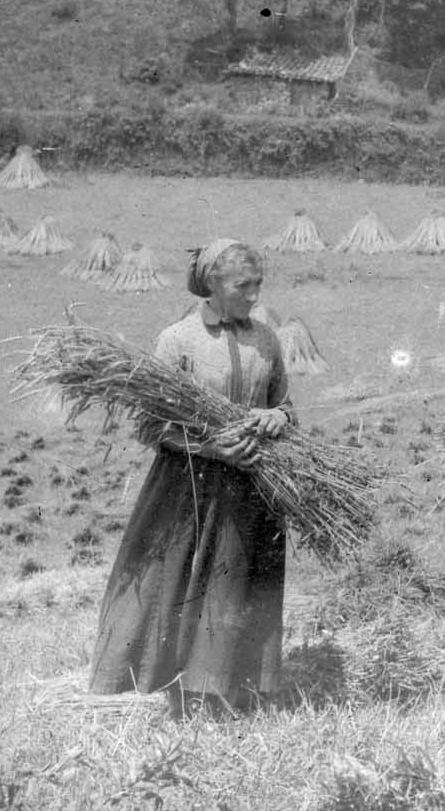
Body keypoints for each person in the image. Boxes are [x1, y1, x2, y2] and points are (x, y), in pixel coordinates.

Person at [89, 238, 295, 720]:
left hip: (253, 487)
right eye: (242, 285)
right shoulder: (178, 341)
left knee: (242, 586)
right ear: (213, 285)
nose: (253, 295)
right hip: (192, 489)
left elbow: (285, 405)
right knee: (187, 585)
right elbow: (150, 425)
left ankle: (237, 691)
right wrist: (211, 447)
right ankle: (185, 695)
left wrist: (276, 419)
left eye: (258, 284)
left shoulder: (267, 339)